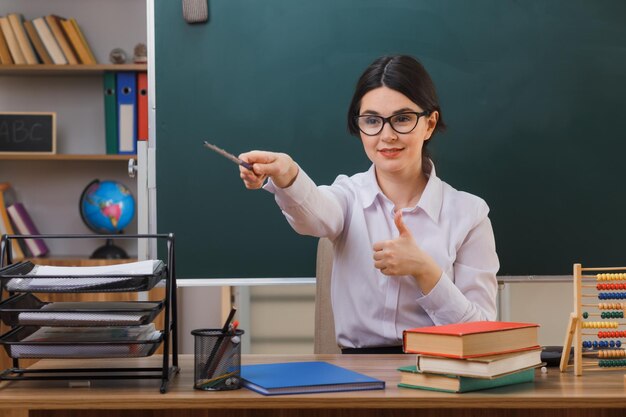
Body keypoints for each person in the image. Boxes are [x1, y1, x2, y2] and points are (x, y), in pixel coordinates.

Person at [238, 55, 499, 353]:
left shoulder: (470, 214)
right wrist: (288, 175)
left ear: (429, 124)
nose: (386, 136)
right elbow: (315, 214)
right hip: (356, 377)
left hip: (439, 372)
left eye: (402, 119)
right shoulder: (347, 197)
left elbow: (483, 334)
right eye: (372, 121)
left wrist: (425, 270)